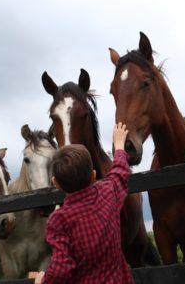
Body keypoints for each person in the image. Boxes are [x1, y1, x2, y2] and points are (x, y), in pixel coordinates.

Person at [34, 122, 134, 284]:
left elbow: (61, 268)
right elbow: (120, 171)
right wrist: (119, 145)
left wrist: (43, 281)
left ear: (55, 183)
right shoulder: (108, 192)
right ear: (93, 176)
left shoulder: (58, 220)